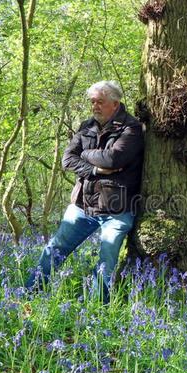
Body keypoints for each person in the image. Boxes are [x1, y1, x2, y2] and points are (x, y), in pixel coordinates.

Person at [25, 80, 144, 303]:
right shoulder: (86, 127)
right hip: (82, 205)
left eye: (100, 102)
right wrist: (96, 167)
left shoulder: (131, 128)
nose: (95, 106)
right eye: (92, 102)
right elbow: (68, 159)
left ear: (115, 104)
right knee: (55, 248)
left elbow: (114, 158)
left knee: (107, 257)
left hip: (117, 208)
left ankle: (98, 306)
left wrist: (86, 154)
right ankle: (29, 294)